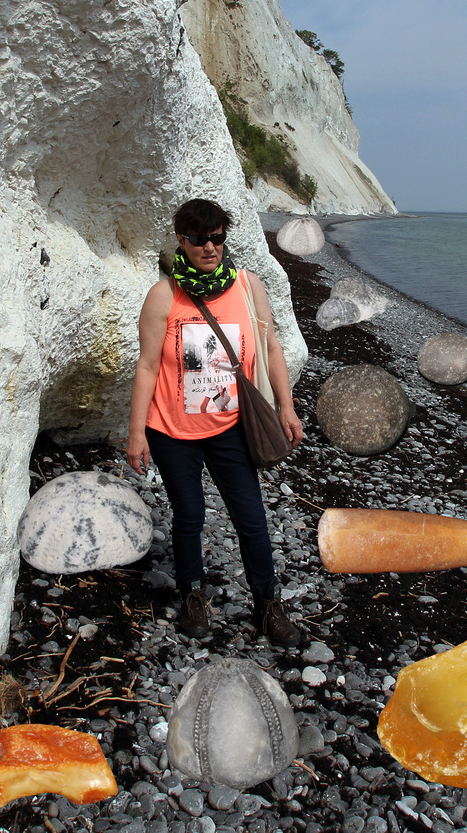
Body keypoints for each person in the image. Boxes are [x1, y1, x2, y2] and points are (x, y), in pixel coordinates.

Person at [125, 199, 306, 647]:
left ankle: (267, 605)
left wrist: (287, 406)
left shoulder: (247, 287)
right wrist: (134, 432)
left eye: (217, 237)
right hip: (171, 431)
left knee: (251, 517)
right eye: (199, 239)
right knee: (189, 515)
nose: (210, 247)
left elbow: (272, 349)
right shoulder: (163, 296)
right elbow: (147, 366)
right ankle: (192, 596)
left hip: (231, 427)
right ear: (181, 242)